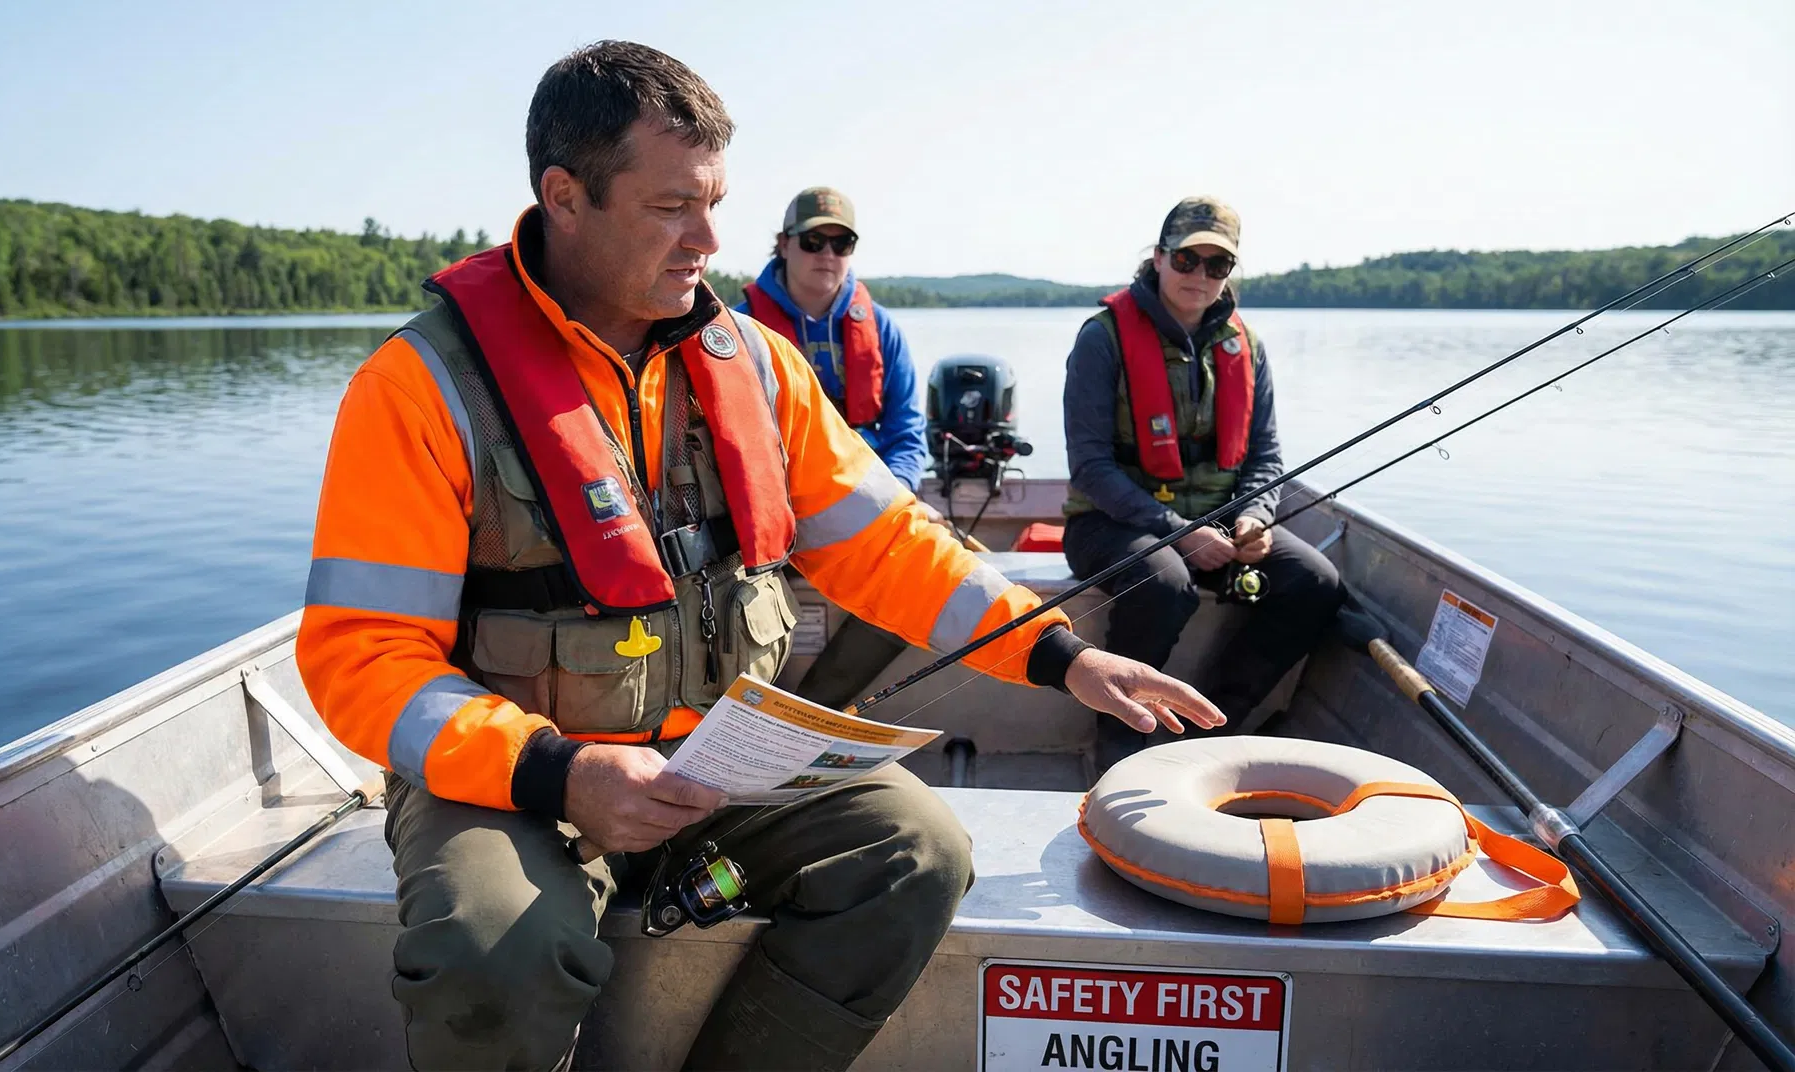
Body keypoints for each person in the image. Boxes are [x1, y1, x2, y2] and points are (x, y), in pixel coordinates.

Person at [298, 42, 1222, 1072]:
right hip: (516, 783)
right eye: (670, 207)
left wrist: (1060, 655)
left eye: (715, 204)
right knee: (489, 954)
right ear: (565, 198)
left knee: (917, 852)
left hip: (716, 769)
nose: (707, 239)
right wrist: (559, 770)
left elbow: (889, 543)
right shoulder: (417, 388)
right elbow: (361, 655)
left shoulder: (758, 366)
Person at [1061, 195, 1344, 772]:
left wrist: (1256, 518)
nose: (1200, 275)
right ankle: (1119, 742)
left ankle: (1209, 731)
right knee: (1163, 583)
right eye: (1188, 259)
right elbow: (1090, 465)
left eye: (1218, 264)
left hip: (1218, 524)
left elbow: (1265, 455)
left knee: (1315, 582)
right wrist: (1178, 531)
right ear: (1159, 257)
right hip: (1109, 523)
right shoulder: (1102, 338)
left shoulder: (1247, 345)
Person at [735, 187, 926, 492]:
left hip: (867, 489)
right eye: (813, 241)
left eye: (841, 243)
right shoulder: (740, 329)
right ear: (784, 244)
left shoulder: (882, 327)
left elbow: (905, 431)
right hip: (776, 489)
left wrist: (896, 493)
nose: (827, 254)